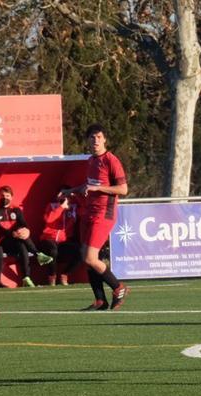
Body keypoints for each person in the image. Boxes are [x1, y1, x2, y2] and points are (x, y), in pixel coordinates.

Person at [64, 124, 129, 310]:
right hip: (90, 213)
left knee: (91, 258)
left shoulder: (111, 160)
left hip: (104, 214)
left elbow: (123, 189)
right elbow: (89, 185)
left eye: (98, 137)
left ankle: (118, 287)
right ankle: (100, 300)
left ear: (105, 139)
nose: (95, 140)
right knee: (86, 257)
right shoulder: (92, 161)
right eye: (92, 137)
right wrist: (70, 191)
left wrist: (98, 188)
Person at [0, 185, 55, 288]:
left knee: (22, 245)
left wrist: (26, 230)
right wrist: (13, 234)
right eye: (2, 196)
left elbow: (23, 224)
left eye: (7, 195)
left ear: (12, 197)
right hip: (4, 241)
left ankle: (26, 278)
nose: (5, 198)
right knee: (20, 240)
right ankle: (38, 254)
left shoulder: (16, 210)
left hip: (16, 240)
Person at [39, 188, 82, 286]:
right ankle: (52, 278)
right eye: (62, 195)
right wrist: (61, 207)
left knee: (81, 251)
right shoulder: (51, 206)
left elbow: (85, 210)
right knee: (52, 250)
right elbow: (49, 220)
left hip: (63, 241)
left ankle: (65, 274)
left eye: (66, 195)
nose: (64, 197)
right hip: (48, 239)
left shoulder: (74, 208)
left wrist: (76, 197)